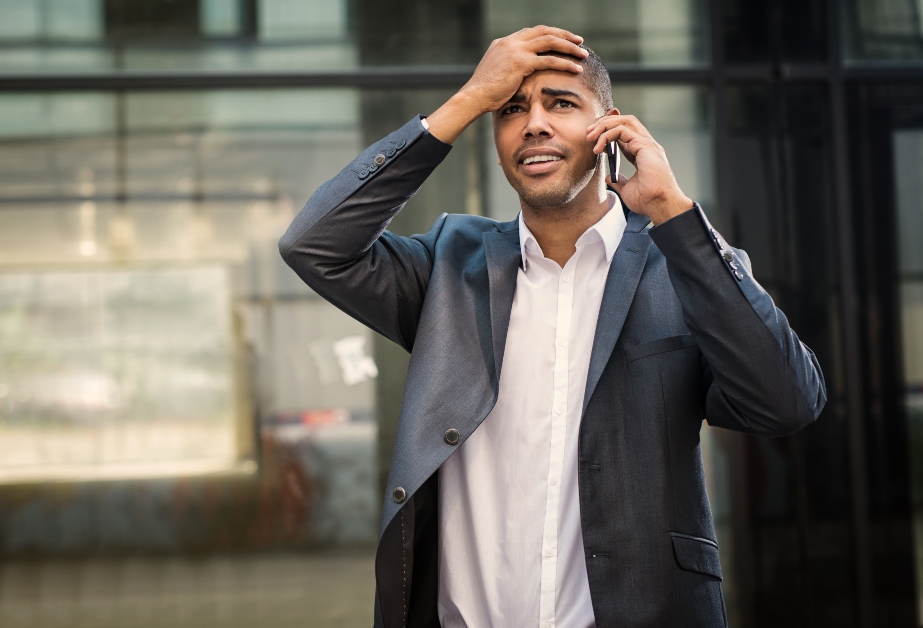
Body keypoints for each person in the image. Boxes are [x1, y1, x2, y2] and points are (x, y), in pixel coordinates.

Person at [279, 25, 826, 628]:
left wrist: (673, 211)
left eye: (561, 104)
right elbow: (314, 244)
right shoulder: (447, 267)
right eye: (511, 109)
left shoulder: (685, 266)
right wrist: (466, 101)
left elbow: (788, 403)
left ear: (611, 127)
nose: (533, 123)